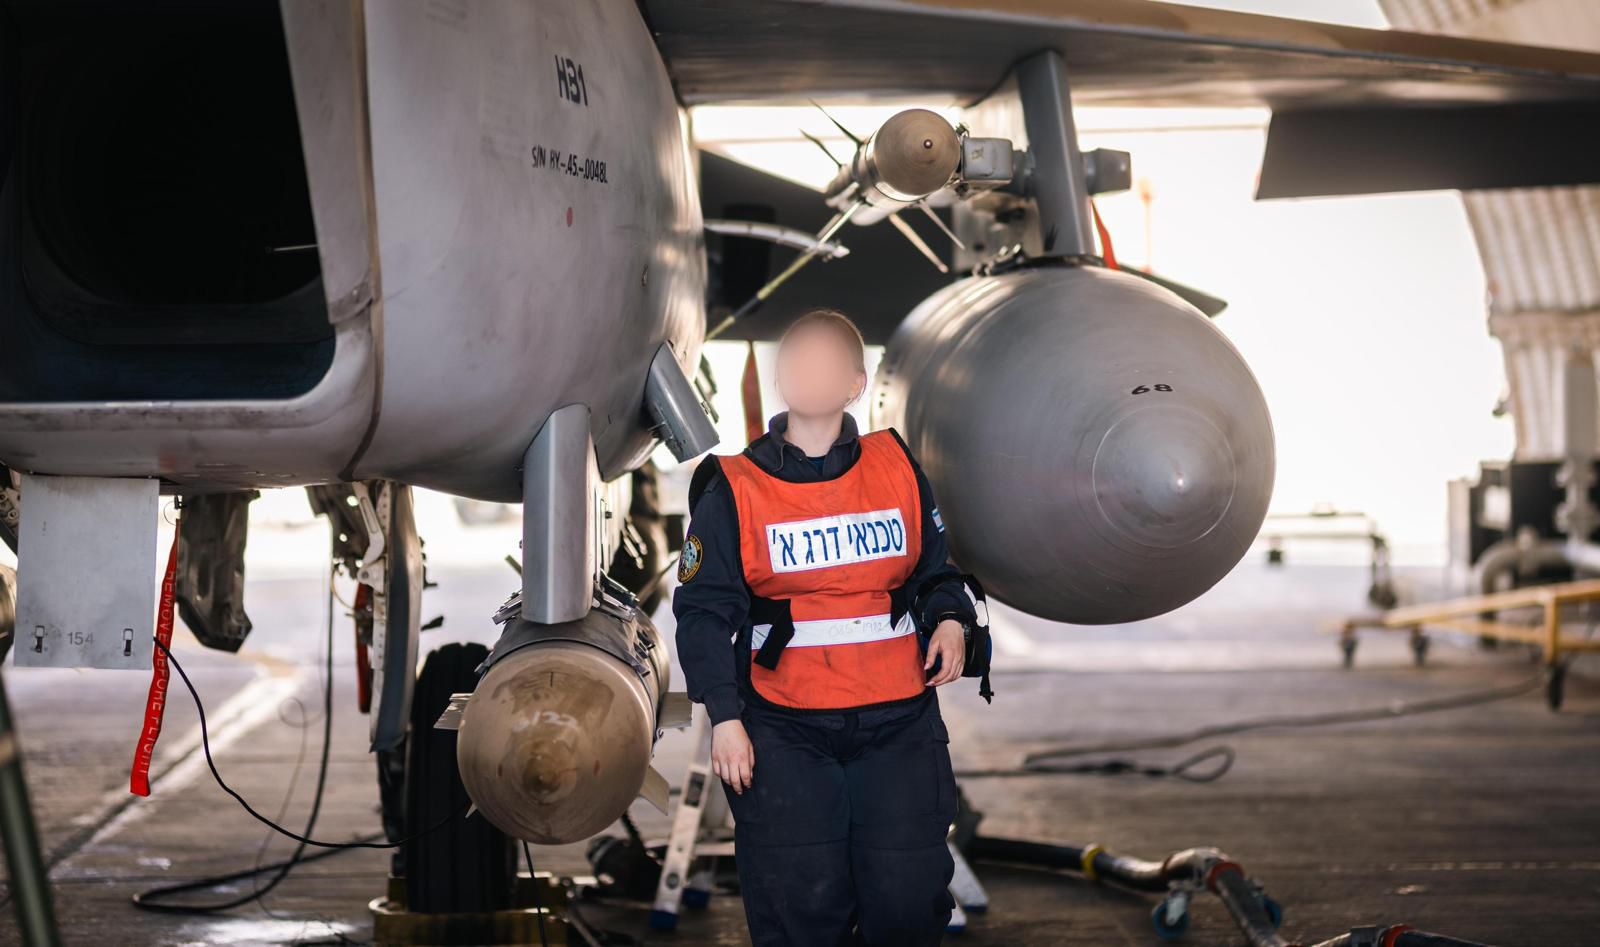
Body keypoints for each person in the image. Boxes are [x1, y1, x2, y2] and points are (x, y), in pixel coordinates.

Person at [673, 308, 979, 946]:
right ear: (781, 378)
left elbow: (935, 573)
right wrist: (725, 719)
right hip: (784, 731)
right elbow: (703, 613)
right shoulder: (733, 487)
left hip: (899, 726)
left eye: (824, 363)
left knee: (907, 902)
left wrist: (951, 621)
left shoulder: (896, 465)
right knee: (801, 907)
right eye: (796, 361)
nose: (807, 373)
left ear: (856, 383)